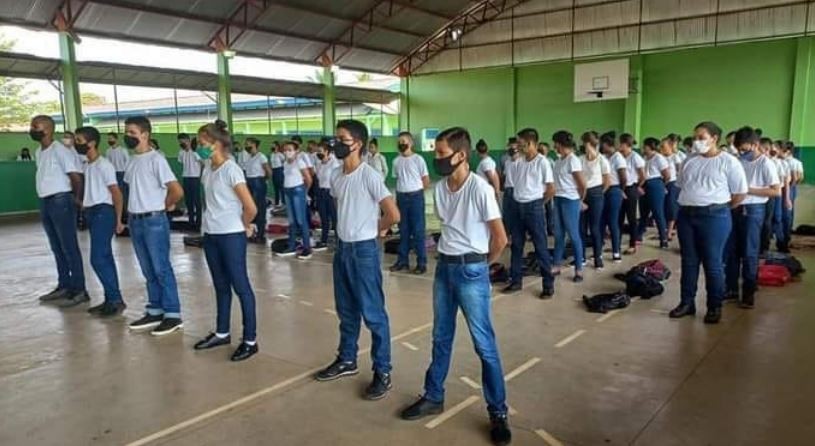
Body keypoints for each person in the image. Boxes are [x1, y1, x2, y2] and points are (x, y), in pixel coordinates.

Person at [400, 127, 511, 446]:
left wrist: (479, 266)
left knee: (484, 345)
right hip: (444, 270)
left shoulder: (480, 189)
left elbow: (500, 238)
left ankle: (498, 411)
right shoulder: (440, 188)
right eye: (435, 153)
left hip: (471, 270)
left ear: (460, 155)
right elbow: (447, 228)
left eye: (440, 153)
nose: (436, 159)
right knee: (440, 337)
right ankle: (433, 395)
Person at [315, 119, 400, 401]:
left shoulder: (370, 175)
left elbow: (393, 214)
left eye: (342, 139)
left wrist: (372, 230)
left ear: (358, 144)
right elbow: (343, 206)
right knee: (346, 310)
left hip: (364, 250)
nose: (336, 143)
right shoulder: (337, 176)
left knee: (373, 314)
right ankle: (347, 359)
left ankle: (382, 371)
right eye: (336, 138)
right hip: (343, 249)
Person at [192, 122, 260, 362]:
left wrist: (243, 224)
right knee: (221, 285)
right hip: (211, 235)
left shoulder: (232, 170)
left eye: (202, 143)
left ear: (217, 143)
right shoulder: (208, 169)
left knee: (241, 287)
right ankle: (222, 332)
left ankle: (250, 340)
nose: (199, 148)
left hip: (231, 236)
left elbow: (251, 207)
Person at [670, 122, 747, 324]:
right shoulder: (689, 160)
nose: (697, 141)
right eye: (695, 137)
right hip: (687, 215)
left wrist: (722, 208)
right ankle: (687, 302)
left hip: (715, 216)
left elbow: (740, 193)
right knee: (689, 262)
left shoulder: (729, 162)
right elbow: (681, 185)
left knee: (712, 264)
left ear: (714, 139)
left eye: (701, 137)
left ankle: (714, 306)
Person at [123, 116, 185, 336]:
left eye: (132, 133)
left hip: (153, 220)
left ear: (145, 134)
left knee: (161, 267)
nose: (127, 136)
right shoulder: (131, 160)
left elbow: (176, 190)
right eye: (127, 132)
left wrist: (163, 206)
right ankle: (155, 309)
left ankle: (172, 314)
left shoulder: (156, 160)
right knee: (147, 268)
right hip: (136, 219)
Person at [30, 115, 87, 306]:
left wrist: (77, 200)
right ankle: (64, 285)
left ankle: (79, 289)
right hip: (45, 201)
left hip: (61, 200)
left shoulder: (61, 150)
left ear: (47, 129)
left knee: (69, 246)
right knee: (56, 246)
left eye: (35, 126)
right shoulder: (39, 151)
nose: (31, 129)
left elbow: (76, 177)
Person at [724, 127, 780, 309]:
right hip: (735, 207)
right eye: (739, 149)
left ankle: (748, 292)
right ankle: (731, 288)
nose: (741, 152)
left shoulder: (766, 164)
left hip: (754, 209)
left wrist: (748, 189)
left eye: (744, 149)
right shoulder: (738, 161)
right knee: (731, 250)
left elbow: (775, 190)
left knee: (749, 252)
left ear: (756, 145)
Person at [75, 126, 127, 316]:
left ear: (92, 143)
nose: (75, 144)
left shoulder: (104, 165)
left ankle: (114, 298)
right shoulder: (87, 164)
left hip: (103, 213)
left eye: (79, 140)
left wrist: (119, 219)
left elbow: (117, 194)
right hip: (92, 212)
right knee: (105, 258)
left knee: (97, 258)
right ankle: (111, 299)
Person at [503, 128, 556, 297]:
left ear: (532, 144)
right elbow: (513, 184)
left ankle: (548, 285)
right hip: (517, 207)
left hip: (534, 208)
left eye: (521, 144)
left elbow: (550, 189)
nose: (518, 147)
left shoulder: (542, 162)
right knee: (516, 246)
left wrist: (539, 204)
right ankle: (516, 281)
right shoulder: (518, 161)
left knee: (540, 247)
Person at [390, 131, 430, 274]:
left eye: (404, 141)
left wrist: (416, 193)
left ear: (411, 143)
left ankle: (421, 263)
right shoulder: (396, 161)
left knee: (418, 231)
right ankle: (403, 262)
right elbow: (398, 180)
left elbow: (426, 180)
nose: (402, 144)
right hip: (401, 197)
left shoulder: (419, 159)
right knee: (403, 230)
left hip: (415, 198)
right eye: (399, 141)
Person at [552, 130, 587, 282]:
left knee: (573, 235)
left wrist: (580, 200)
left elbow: (582, 184)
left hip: (570, 200)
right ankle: (557, 265)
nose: (555, 147)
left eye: (556, 144)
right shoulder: (559, 160)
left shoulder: (573, 160)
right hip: (558, 198)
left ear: (560, 144)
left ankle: (578, 269)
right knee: (558, 234)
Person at [276, 141, 313, 259]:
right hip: (287, 191)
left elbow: (308, 179)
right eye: (285, 150)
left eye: (290, 149)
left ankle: (307, 248)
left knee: (301, 220)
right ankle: (291, 246)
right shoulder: (286, 163)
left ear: (296, 151)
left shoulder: (300, 162)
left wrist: (304, 192)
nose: (287, 152)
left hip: (298, 191)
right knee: (291, 221)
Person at [579, 131, 610, 270]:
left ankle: (598, 257)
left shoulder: (602, 160)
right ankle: (582, 257)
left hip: (596, 193)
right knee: (581, 227)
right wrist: (581, 198)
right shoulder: (580, 159)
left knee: (595, 227)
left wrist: (598, 194)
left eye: (584, 144)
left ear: (589, 144)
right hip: (582, 193)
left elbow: (607, 182)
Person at [639, 137, 671, 249]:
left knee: (658, 212)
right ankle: (638, 236)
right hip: (644, 184)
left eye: (645, 146)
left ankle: (663, 238)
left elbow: (667, 175)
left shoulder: (659, 158)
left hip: (655, 184)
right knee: (643, 212)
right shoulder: (645, 158)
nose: (643, 148)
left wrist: (661, 185)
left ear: (650, 146)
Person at [601, 132, 625, 263]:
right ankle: (598, 251)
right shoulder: (604, 157)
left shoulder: (618, 157)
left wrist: (621, 190)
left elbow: (623, 177)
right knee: (601, 221)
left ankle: (616, 251)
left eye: (602, 144)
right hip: (603, 189)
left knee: (612, 221)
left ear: (606, 144)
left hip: (614, 189)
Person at [619, 133, 645, 255]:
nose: (619, 146)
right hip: (620, 188)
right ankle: (617, 244)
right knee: (619, 217)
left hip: (630, 188)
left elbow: (642, 175)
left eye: (621, 144)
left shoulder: (635, 157)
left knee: (631, 217)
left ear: (626, 144)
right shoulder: (619, 156)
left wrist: (637, 186)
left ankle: (633, 244)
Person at [244, 137, 271, 244]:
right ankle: (252, 232)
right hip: (249, 182)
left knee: (260, 209)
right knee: (251, 208)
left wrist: (263, 180)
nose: (246, 146)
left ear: (254, 144)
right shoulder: (249, 157)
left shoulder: (261, 156)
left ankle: (260, 234)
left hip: (258, 182)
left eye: (248, 144)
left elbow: (268, 171)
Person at [314, 141, 340, 251]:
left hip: (331, 193)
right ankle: (323, 241)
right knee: (324, 218)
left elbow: (338, 180)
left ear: (327, 152)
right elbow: (318, 179)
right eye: (317, 151)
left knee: (335, 218)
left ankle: (339, 242)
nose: (318, 153)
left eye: (320, 151)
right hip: (321, 192)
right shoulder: (319, 164)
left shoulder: (335, 164)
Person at [177, 133, 202, 229]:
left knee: (196, 200)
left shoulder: (196, 151)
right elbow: (181, 162)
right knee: (188, 200)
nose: (180, 143)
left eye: (182, 141)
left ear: (188, 140)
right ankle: (191, 221)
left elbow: (202, 163)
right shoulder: (181, 152)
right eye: (179, 142)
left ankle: (198, 221)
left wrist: (201, 175)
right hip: (186, 177)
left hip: (195, 177)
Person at [663, 135, 684, 241]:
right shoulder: (660, 157)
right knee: (664, 207)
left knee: (671, 207)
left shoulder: (675, 157)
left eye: (664, 146)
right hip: (662, 183)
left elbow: (680, 171)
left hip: (672, 183)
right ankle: (664, 229)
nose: (662, 148)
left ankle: (669, 231)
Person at [782, 142, 804, 246]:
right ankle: (786, 236)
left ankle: (785, 237)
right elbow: (800, 177)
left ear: (788, 151)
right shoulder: (796, 162)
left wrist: (790, 186)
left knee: (786, 212)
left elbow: (797, 177)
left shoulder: (791, 162)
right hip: (789, 187)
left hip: (788, 187)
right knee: (788, 212)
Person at [106, 133, 130, 216]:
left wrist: (127, 175)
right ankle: (117, 214)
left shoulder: (123, 150)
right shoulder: (108, 151)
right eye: (108, 139)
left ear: (116, 139)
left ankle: (126, 214)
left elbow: (128, 162)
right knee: (114, 195)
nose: (110, 140)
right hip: (113, 174)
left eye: (111, 138)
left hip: (122, 173)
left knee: (123, 195)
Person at [270, 141, 285, 208]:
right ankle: (276, 203)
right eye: (271, 146)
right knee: (275, 188)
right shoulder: (271, 154)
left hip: (279, 170)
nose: (272, 147)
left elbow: (284, 162)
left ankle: (283, 202)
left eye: (273, 146)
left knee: (281, 187)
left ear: (277, 147)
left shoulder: (280, 154)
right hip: (274, 171)